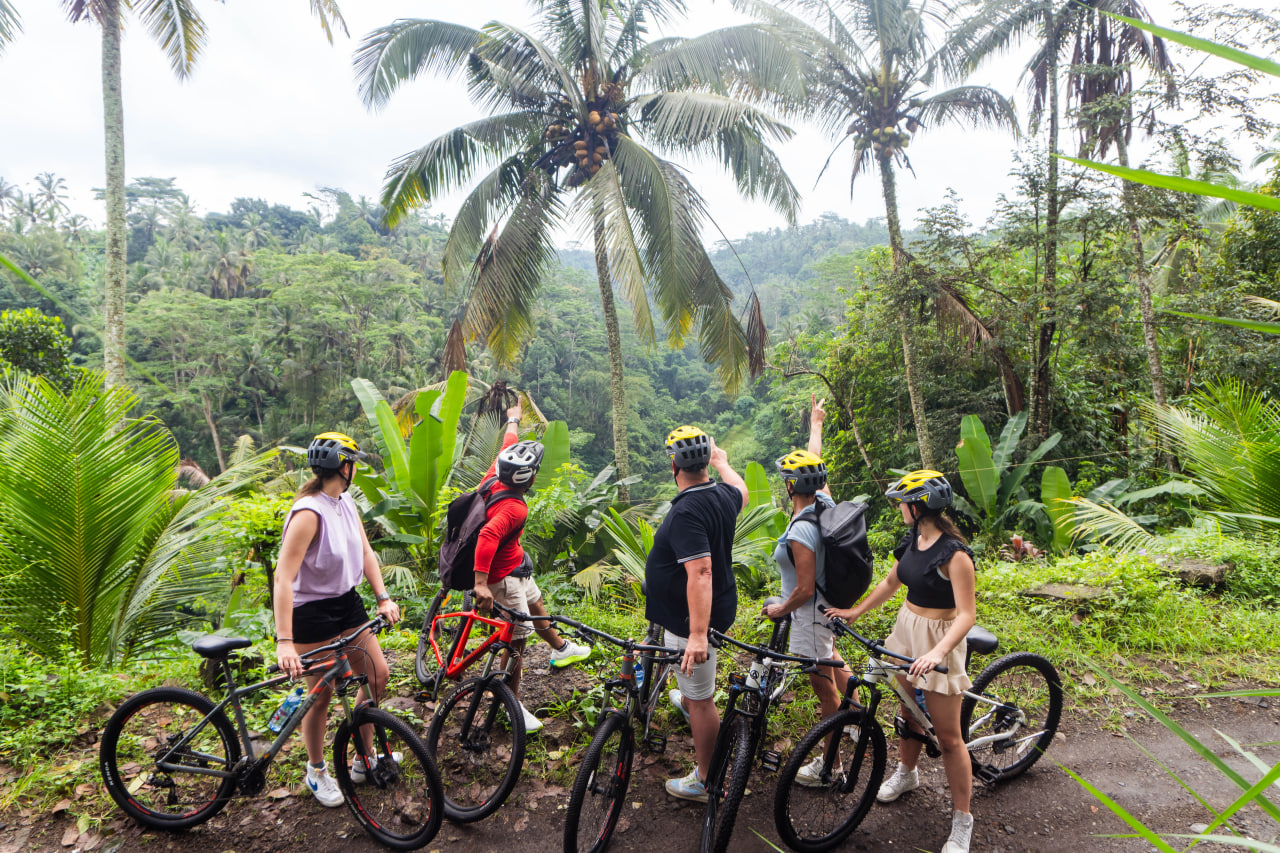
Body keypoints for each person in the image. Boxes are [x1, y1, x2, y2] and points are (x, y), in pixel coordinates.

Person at [826, 470, 978, 853]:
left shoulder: (955, 555)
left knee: (948, 738)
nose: (898, 509)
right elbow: (892, 583)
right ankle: (907, 773)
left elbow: (966, 615)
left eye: (901, 504)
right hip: (906, 631)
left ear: (918, 506)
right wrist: (855, 612)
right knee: (908, 711)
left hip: (938, 638)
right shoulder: (914, 539)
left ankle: (963, 820)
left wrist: (938, 652)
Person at [274, 432, 401, 808]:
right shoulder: (308, 513)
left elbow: (365, 551)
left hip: (346, 603)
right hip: (310, 613)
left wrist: (383, 597)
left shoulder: (344, 502)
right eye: (353, 462)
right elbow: (283, 578)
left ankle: (363, 757)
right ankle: (316, 770)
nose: (356, 468)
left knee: (377, 675)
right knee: (322, 694)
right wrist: (284, 640)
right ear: (343, 467)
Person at [472, 399, 591, 734]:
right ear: (528, 479)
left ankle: (561, 649)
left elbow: (508, 445)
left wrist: (513, 419)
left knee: (536, 603)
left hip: (515, 568)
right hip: (501, 579)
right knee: (517, 642)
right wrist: (481, 584)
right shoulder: (515, 509)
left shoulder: (495, 475)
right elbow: (487, 534)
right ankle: (511, 705)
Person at [645, 425, 749, 802]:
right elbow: (743, 490)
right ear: (707, 460)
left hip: (691, 620)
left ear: (673, 465)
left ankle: (707, 780)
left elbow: (701, 571)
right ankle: (688, 699)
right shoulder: (722, 494)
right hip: (716, 606)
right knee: (693, 690)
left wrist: (698, 635)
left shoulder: (688, 509)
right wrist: (724, 464)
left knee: (703, 700)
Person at [762, 396, 855, 785]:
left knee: (824, 692)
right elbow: (813, 463)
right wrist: (815, 426)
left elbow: (801, 589)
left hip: (809, 614)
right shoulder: (825, 504)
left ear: (788, 486)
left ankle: (831, 766)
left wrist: (780, 609)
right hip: (828, 608)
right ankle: (857, 718)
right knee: (832, 658)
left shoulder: (800, 529)